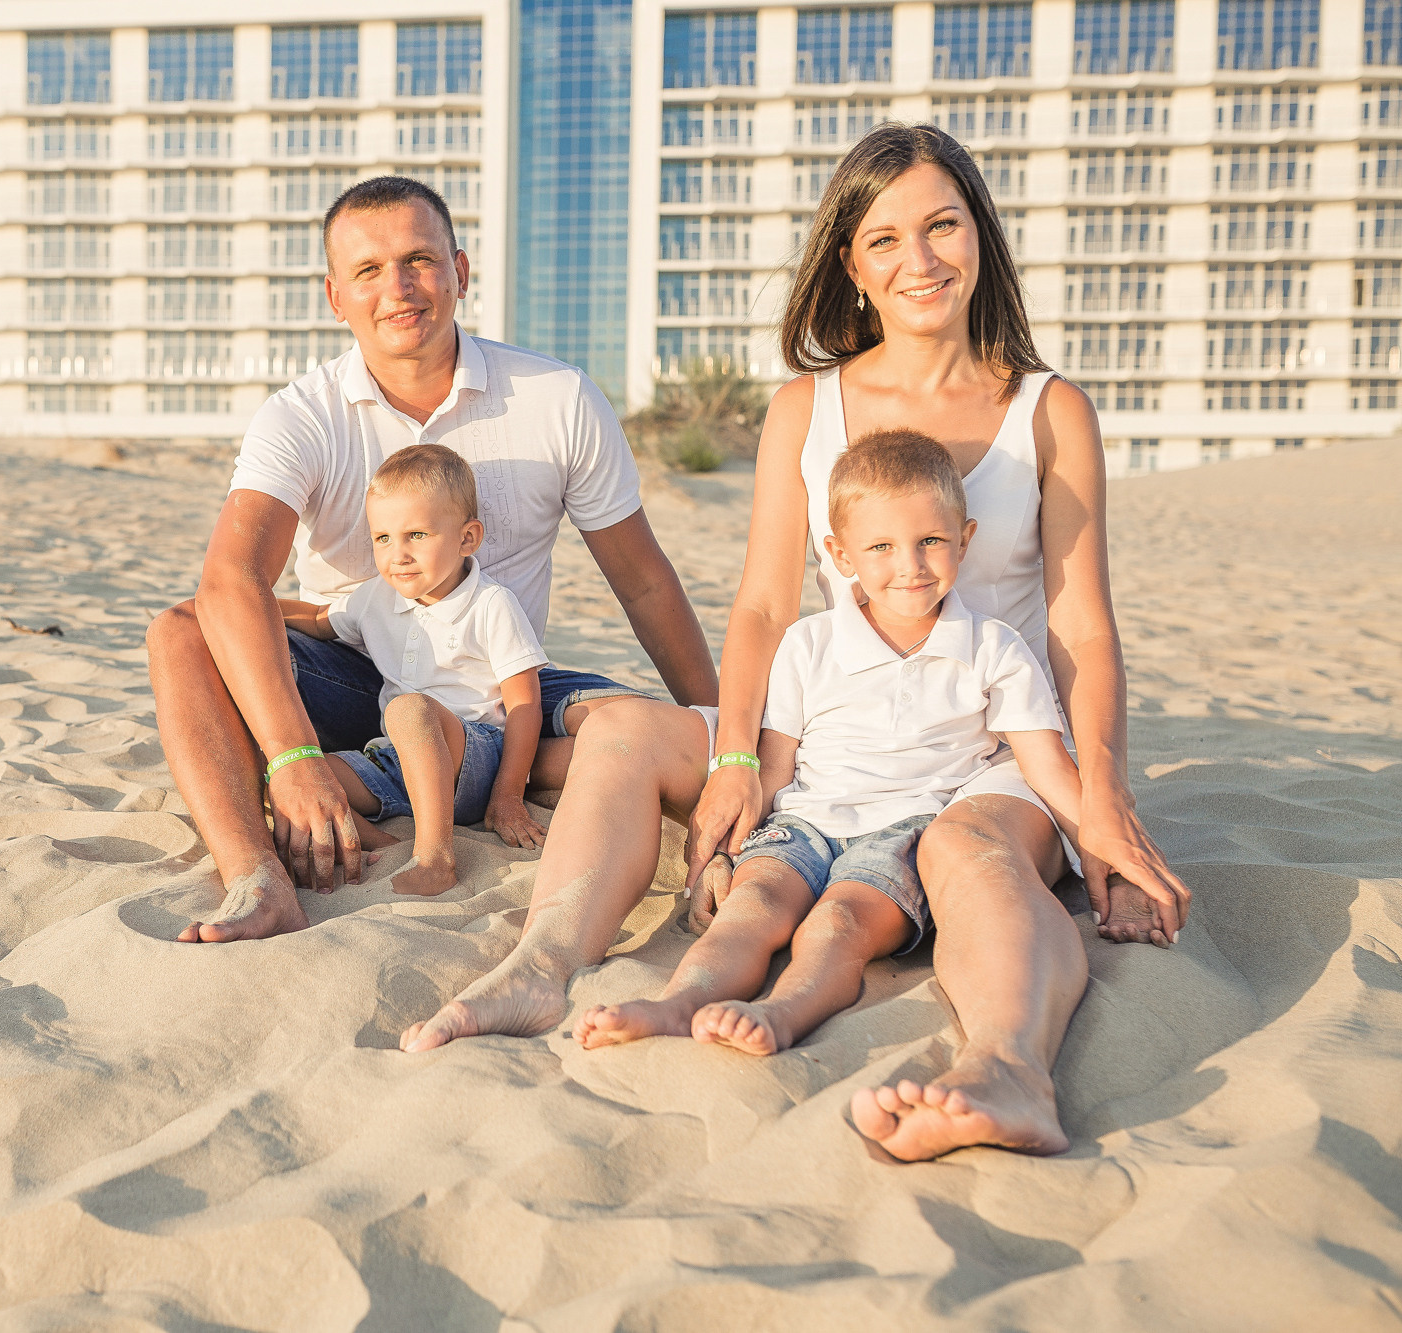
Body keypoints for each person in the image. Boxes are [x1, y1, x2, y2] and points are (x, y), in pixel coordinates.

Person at [399, 124, 1191, 1164]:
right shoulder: (805, 406)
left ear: (980, 237)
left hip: (988, 747)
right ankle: (542, 965)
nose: (919, 260)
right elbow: (765, 608)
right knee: (621, 732)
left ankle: (1007, 1069)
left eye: (942, 226)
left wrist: (1106, 803)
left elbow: (1081, 623)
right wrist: (736, 757)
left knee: (963, 849)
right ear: (851, 266)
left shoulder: (1048, 410)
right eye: (885, 240)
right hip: (825, 729)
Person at [148, 175, 718, 944]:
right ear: (335, 296)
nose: (398, 287)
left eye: (419, 259)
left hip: (502, 677)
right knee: (181, 631)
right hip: (356, 675)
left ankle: (517, 772)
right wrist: (293, 756)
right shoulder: (301, 415)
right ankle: (258, 876)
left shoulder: (556, 396)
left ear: (460, 271)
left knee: (663, 731)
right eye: (368, 270)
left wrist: (725, 735)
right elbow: (231, 579)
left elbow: (645, 583)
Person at [575, 428, 1085, 1055]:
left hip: (906, 834)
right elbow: (774, 766)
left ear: (966, 539)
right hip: (804, 822)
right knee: (750, 908)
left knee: (838, 925)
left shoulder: (993, 648)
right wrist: (726, 852)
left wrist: (1109, 855)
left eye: (931, 541)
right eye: (882, 546)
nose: (910, 565)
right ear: (841, 555)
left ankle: (786, 1013)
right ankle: (677, 1005)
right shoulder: (808, 643)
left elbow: (1046, 767)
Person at [279, 444, 551, 897]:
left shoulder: (491, 604)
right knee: (295, 776)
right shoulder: (376, 597)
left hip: (473, 757)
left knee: (408, 709)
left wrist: (508, 795)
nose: (398, 554)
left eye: (417, 535)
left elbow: (525, 704)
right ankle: (382, 843)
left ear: (467, 538)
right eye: (383, 538)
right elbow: (320, 620)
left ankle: (435, 859)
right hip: (395, 763)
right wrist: (246, 603)